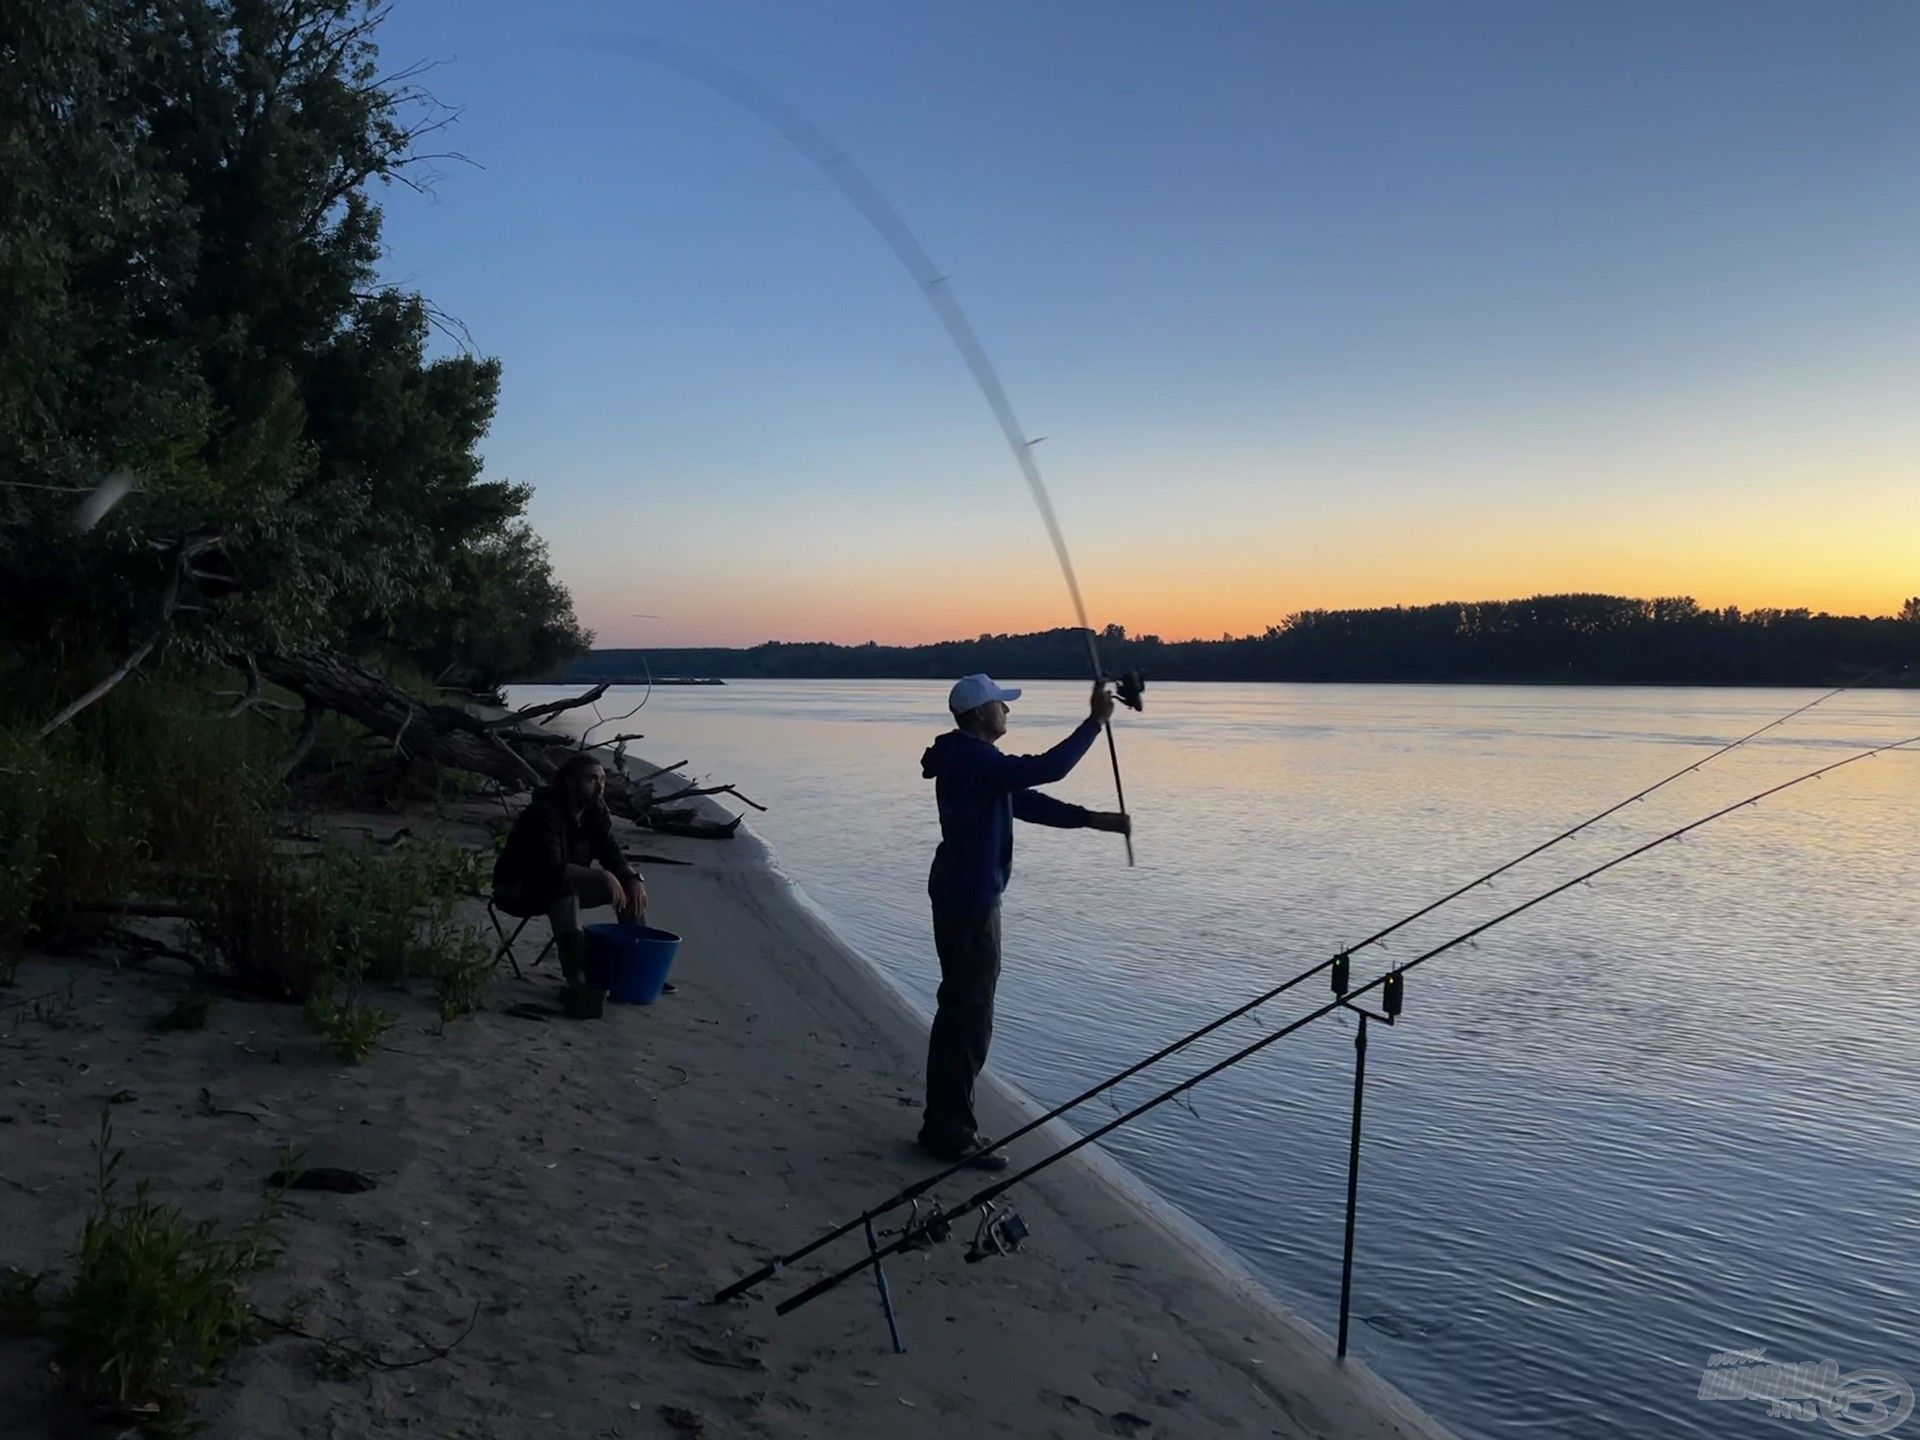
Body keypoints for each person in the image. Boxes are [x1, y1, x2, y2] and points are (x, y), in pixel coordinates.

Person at [917, 674, 1130, 1168]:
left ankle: (943, 1125)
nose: (1007, 712)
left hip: (962, 894)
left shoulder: (971, 761)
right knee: (968, 1019)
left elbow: (1022, 800)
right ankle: (951, 1133)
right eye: (1000, 705)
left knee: (960, 1012)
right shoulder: (974, 758)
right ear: (977, 715)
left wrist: (1092, 819)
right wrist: (1095, 723)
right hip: (970, 901)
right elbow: (1048, 769)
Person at [492, 754, 648, 985]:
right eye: (592, 780)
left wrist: (633, 877)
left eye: (602, 780)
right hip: (516, 889)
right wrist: (603, 875)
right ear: (570, 782)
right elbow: (549, 867)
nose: (600, 787)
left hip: (558, 886)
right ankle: (577, 978)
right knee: (564, 889)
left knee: (629, 887)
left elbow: (612, 854)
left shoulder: (593, 815)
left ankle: (640, 968)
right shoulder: (543, 813)